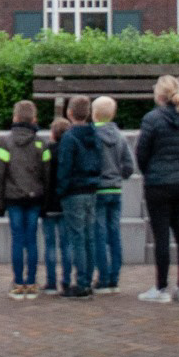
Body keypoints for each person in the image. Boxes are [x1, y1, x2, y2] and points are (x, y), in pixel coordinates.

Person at [134, 75, 179, 303]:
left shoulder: (152, 119)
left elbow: (142, 152)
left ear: (159, 95)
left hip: (158, 182)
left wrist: (148, 171)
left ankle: (161, 288)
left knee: (161, 236)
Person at [0, 99, 46, 300]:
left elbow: (0, 174)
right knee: (31, 239)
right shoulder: (41, 143)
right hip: (35, 197)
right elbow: (46, 173)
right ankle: (32, 282)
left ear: (15, 118)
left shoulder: (5, 142)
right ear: (34, 119)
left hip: (13, 197)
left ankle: (17, 283)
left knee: (17, 239)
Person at [56, 96, 102, 301]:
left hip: (74, 191)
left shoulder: (69, 137)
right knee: (89, 236)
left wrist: (61, 190)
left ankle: (81, 282)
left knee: (77, 238)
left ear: (70, 113)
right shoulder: (95, 135)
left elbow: (64, 167)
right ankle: (88, 280)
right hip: (91, 189)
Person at [91, 95, 136, 294]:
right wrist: (119, 176)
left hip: (98, 189)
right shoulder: (120, 136)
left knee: (99, 234)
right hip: (115, 189)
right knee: (114, 233)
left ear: (94, 115)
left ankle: (103, 277)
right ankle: (114, 279)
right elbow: (129, 165)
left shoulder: (93, 136)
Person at [40, 118, 72, 296]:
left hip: (48, 203)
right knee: (66, 245)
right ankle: (66, 281)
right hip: (65, 202)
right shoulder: (69, 153)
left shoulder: (47, 152)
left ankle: (51, 282)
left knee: (50, 244)